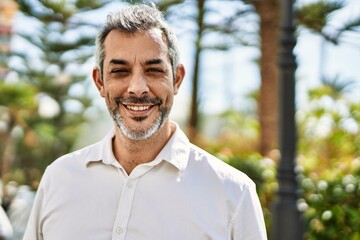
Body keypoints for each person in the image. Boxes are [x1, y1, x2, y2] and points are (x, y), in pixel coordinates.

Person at [23, 3, 267, 240]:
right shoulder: (58, 178)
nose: (137, 88)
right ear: (100, 82)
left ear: (177, 79)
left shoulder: (234, 193)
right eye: (120, 71)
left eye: (153, 70)